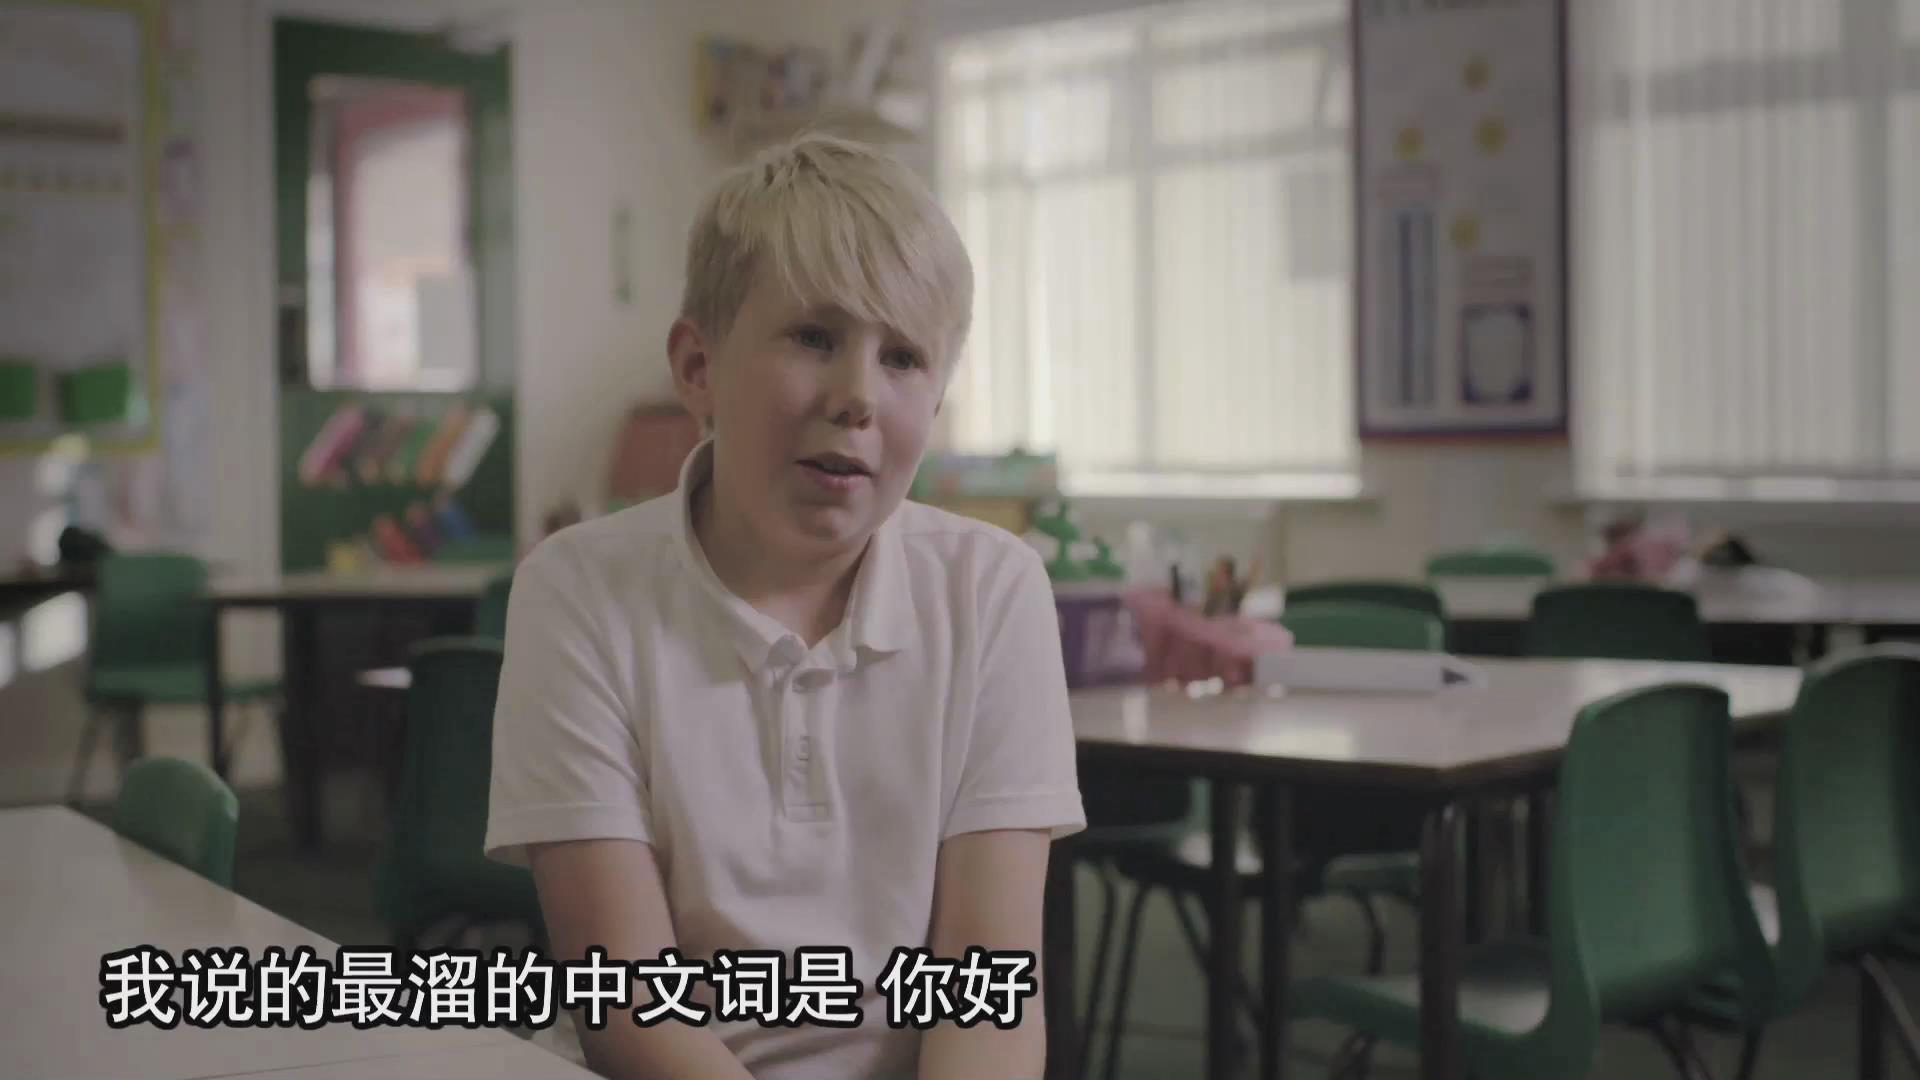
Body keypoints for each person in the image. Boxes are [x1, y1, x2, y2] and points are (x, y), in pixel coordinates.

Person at [484, 132, 1086, 1080]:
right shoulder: (577, 591)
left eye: (903, 357)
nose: (857, 397)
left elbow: (989, 997)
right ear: (698, 367)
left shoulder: (993, 591)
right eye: (814, 337)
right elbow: (630, 1009)